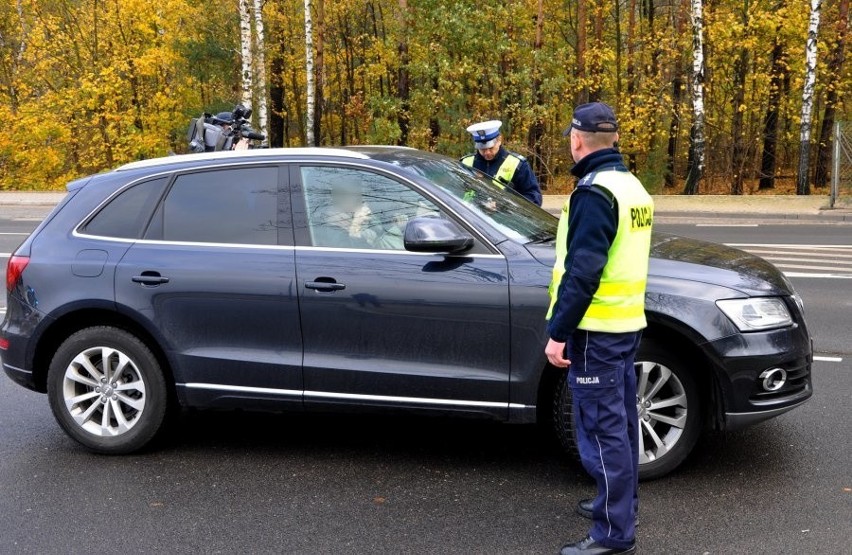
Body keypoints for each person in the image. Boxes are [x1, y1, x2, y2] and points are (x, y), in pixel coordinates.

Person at [544, 102, 654, 555]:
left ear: (576, 140)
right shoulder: (631, 187)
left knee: (601, 429)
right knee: (623, 424)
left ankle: (614, 533)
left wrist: (558, 330)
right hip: (625, 324)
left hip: (596, 331)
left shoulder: (593, 192)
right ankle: (619, 504)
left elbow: (583, 271)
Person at [461, 120, 542, 205]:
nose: (487, 153)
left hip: (505, 217)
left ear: (499, 140)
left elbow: (534, 198)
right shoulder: (465, 163)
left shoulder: (518, 165)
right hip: (466, 216)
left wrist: (502, 205)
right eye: (482, 149)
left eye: (491, 148)